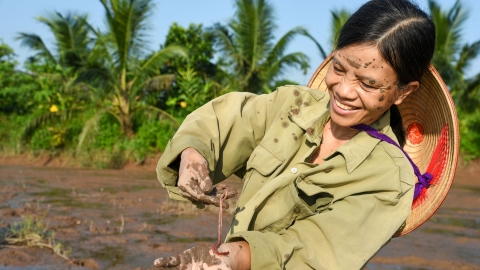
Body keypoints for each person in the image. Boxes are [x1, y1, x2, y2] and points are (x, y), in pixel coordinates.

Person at [153, 0, 442, 269]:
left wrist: (231, 260)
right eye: (339, 68)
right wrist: (193, 155)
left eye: (368, 84)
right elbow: (224, 122)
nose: (343, 90)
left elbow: (314, 250)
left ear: (404, 91)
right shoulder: (292, 106)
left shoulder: (387, 178)